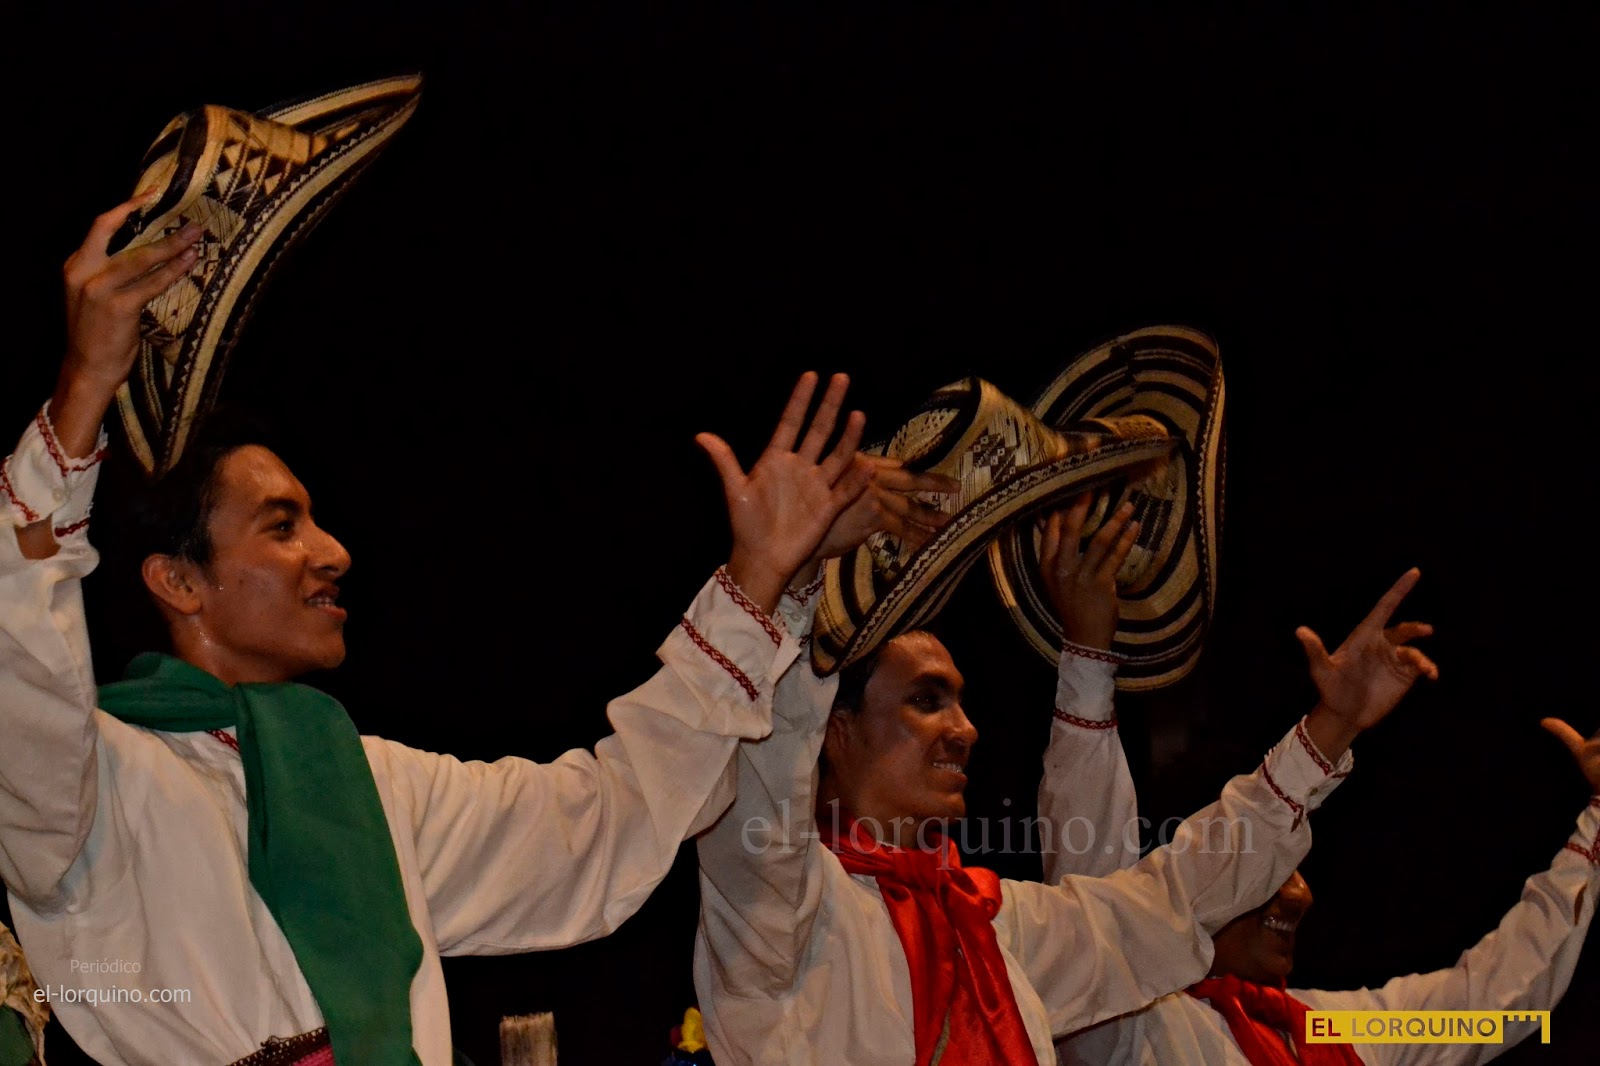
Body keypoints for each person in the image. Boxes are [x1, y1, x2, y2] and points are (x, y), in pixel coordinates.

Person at [0, 193, 950, 1066]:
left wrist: (764, 579)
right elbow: (25, 671)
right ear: (179, 581)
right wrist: (83, 393)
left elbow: (608, 821)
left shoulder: (374, 790)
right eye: (282, 527)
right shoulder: (91, 787)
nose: (334, 552)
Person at [689, 480, 1439, 1065]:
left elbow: (1175, 895)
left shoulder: (997, 932)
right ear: (838, 731)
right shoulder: (784, 906)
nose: (966, 730)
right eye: (926, 701)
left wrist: (1331, 728)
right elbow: (767, 760)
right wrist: (797, 579)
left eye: (961, 702)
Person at [1036, 494, 1600, 1066]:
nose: (1299, 895)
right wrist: (1087, 658)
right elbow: (1096, 920)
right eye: (1267, 868)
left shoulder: (1331, 1028)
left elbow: (1498, 1008)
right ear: (1186, 871)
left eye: (1293, 868)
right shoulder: (1130, 1030)